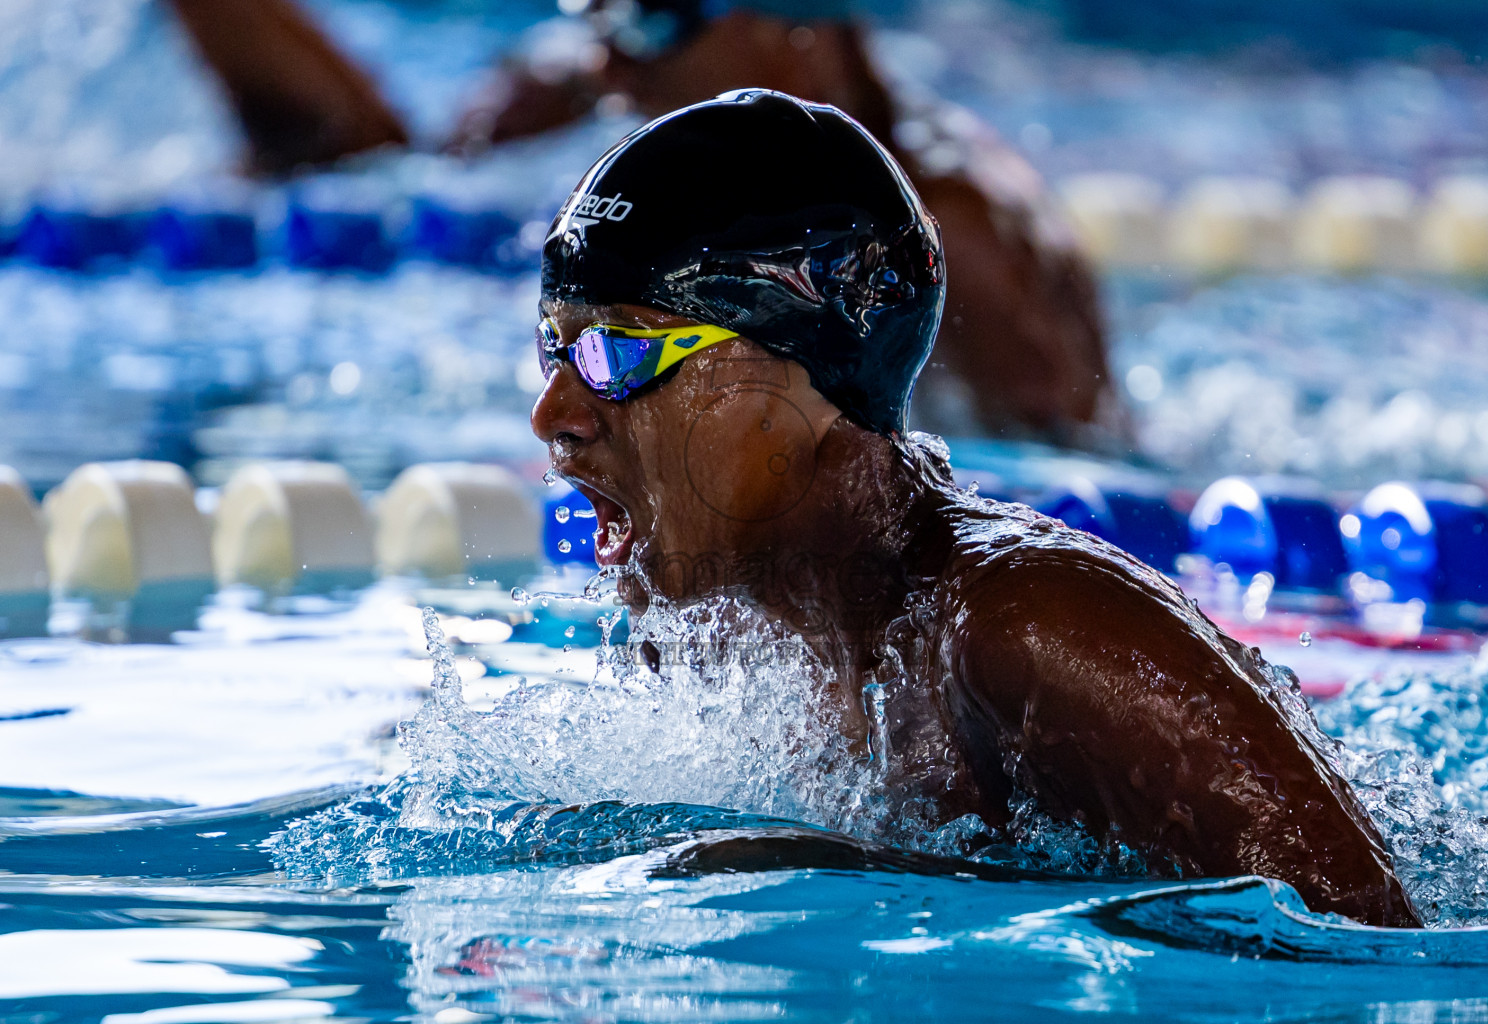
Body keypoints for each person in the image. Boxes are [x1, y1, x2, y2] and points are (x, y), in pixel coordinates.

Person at [531, 89, 1421, 928]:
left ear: (807, 371)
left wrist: (852, 874)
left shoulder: (1033, 624)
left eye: (615, 353)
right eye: (555, 350)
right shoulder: (738, 631)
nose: (556, 416)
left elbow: (1370, 947)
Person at [167, 0, 1113, 439]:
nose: (610, 67)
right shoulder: (652, 70)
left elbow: (1060, 464)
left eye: (648, 24)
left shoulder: (956, 228)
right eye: (597, 17)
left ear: (797, 28)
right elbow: (404, 167)